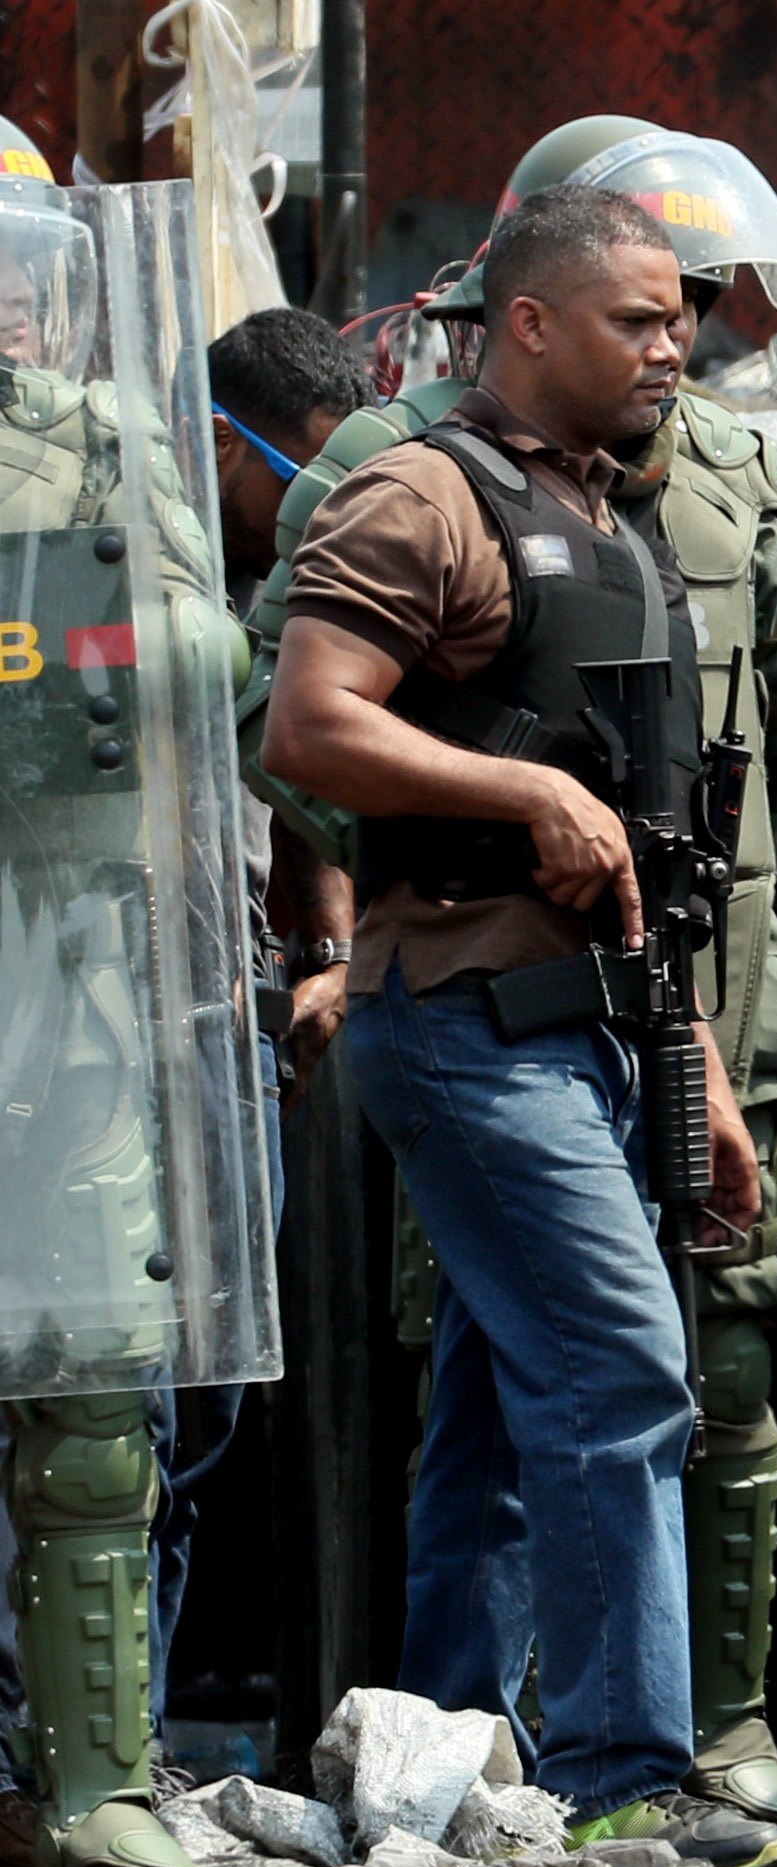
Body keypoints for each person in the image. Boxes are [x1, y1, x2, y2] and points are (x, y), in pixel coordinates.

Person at [246, 115, 777, 1828]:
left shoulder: (610, 518)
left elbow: (659, 855)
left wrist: (694, 1061)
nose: (675, 344)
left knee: (497, 1405)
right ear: (528, 323)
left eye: (684, 319)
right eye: (637, 319)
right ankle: (633, 1773)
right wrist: (519, 786)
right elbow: (304, 724)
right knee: (623, 1371)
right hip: (465, 1025)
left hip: (600, 1029)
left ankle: (444, 1771)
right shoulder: (421, 488)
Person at [0, 117, 277, 1867]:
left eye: (33, 281)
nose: (18, 317)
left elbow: (212, 651)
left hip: (80, 982)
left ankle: (97, 1778)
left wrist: (61, 631)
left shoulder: (105, 444)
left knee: (96, 1391)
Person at [146, 308, 371, 1730]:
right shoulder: (141, 567)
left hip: (229, 1021)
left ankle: (135, 1739)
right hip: (114, 1027)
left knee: (215, 1396)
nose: (319, 508)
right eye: (297, 474)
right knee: (127, 1415)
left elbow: (303, 791)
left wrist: (327, 949)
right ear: (224, 443)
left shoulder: (276, 587)